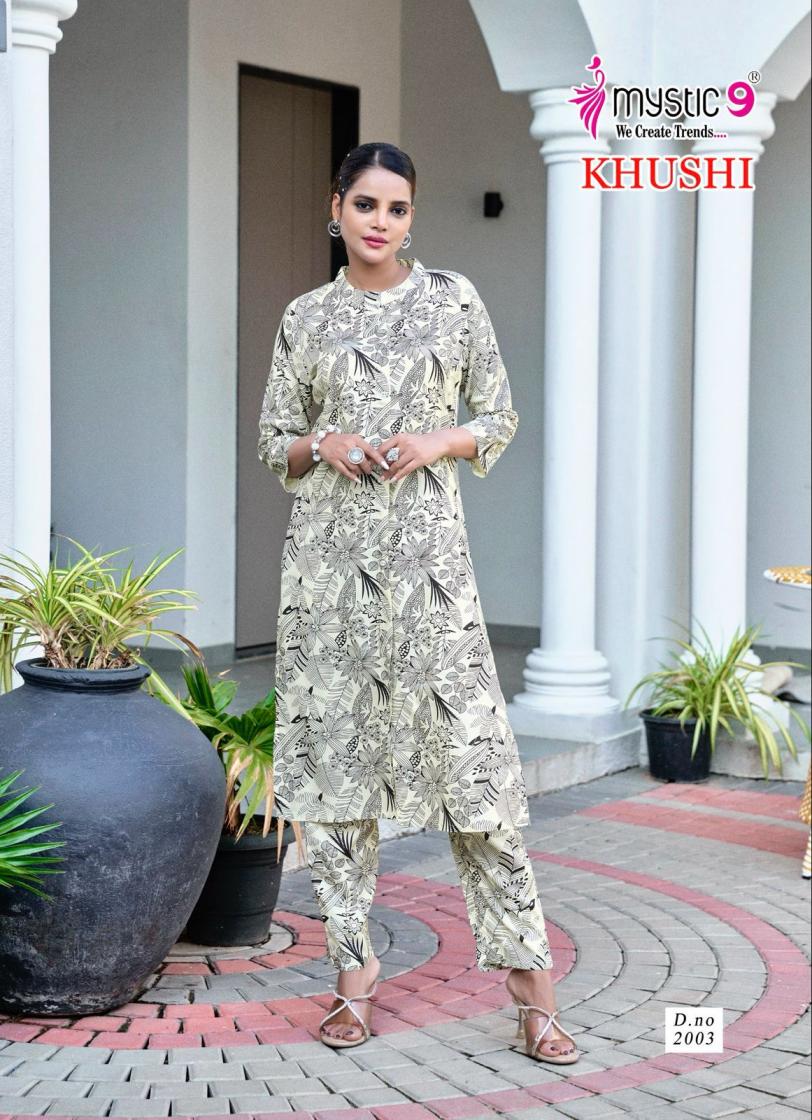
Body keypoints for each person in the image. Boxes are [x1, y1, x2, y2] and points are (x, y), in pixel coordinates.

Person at [257, 142, 579, 1064]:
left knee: (479, 780)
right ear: (336, 209)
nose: (380, 222)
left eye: (396, 208)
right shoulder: (306, 316)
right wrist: (326, 443)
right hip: (328, 580)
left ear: (411, 218)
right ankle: (352, 983)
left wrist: (437, 441)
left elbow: (499, 416)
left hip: (432, 576)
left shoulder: (453, 300)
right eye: (365, 204)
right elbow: (275, 441)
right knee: (338, 784)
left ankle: (533, 993)